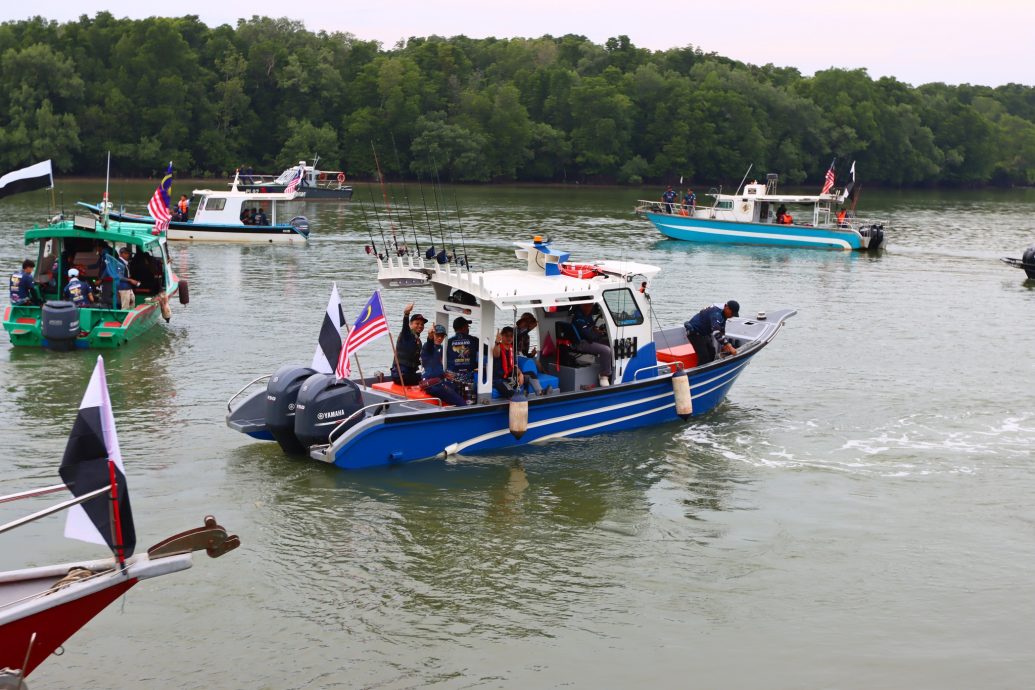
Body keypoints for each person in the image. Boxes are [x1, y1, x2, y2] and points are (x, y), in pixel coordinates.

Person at [420, 324, 467, 406]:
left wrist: (444, 374)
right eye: (437, 335)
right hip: (432, 384)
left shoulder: (440, 347)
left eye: (442, 336)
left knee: (455, 387)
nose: (440, 338)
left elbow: (434, 366)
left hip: (438, 381)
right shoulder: (427, 347)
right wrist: (429, 336)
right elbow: (429, 344)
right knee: (462, 403)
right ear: (433, 335)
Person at [571, 303, 614, 387]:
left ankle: (610, 371)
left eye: (591, 305)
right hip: (581, 343)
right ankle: (604, 376)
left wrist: (596, 330)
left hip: (588, 340)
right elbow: (589, 336)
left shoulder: (587, 314)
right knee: (606, 350)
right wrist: (600, 335)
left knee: (611, 343)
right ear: (582, 305)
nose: (590, 308)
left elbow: (591, 326)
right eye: (588, 305)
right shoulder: (579, 318)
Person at [684, 301, 740, 365]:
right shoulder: (716, 313)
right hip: (694, 332)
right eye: (732, 313)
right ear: (727, 308)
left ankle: (710, 369)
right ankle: (701, 373)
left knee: (712, 352)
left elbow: (721, 329)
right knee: (704, 357)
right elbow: (716, 332)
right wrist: (729, 346)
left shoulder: (724, 313)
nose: (732, 316)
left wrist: (724, 345)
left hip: (704, 332)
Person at [390, 303, 426, 386]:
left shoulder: (417, 339)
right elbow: (405, 327)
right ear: (410, 324)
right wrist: (406, 314)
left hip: (408, 374)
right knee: (429, 379)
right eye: (417, 323)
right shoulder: (406, 334)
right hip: (401, 376)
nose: (420, 326)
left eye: (422, 324)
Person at [446, 316, 480, 394]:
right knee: (469, 395)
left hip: (452, 376)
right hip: (468, 376)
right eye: (468, 326)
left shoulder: (448, 342)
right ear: (464, 327)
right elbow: (487, 351)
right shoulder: (474, 340)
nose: (468, 328)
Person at [492, 326, 526, 399]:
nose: (509, 338)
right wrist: (497, 342)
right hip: (499, 380)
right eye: (506, 336)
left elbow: (514, 365)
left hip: (509, 377)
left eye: (511, 336)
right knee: (511, 393)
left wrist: (520, 374)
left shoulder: (511, 348)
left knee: (530, 375)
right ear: (502, 336)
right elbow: (496, 354)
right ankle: (518, 400)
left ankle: (540, 392)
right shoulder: (498, 347)